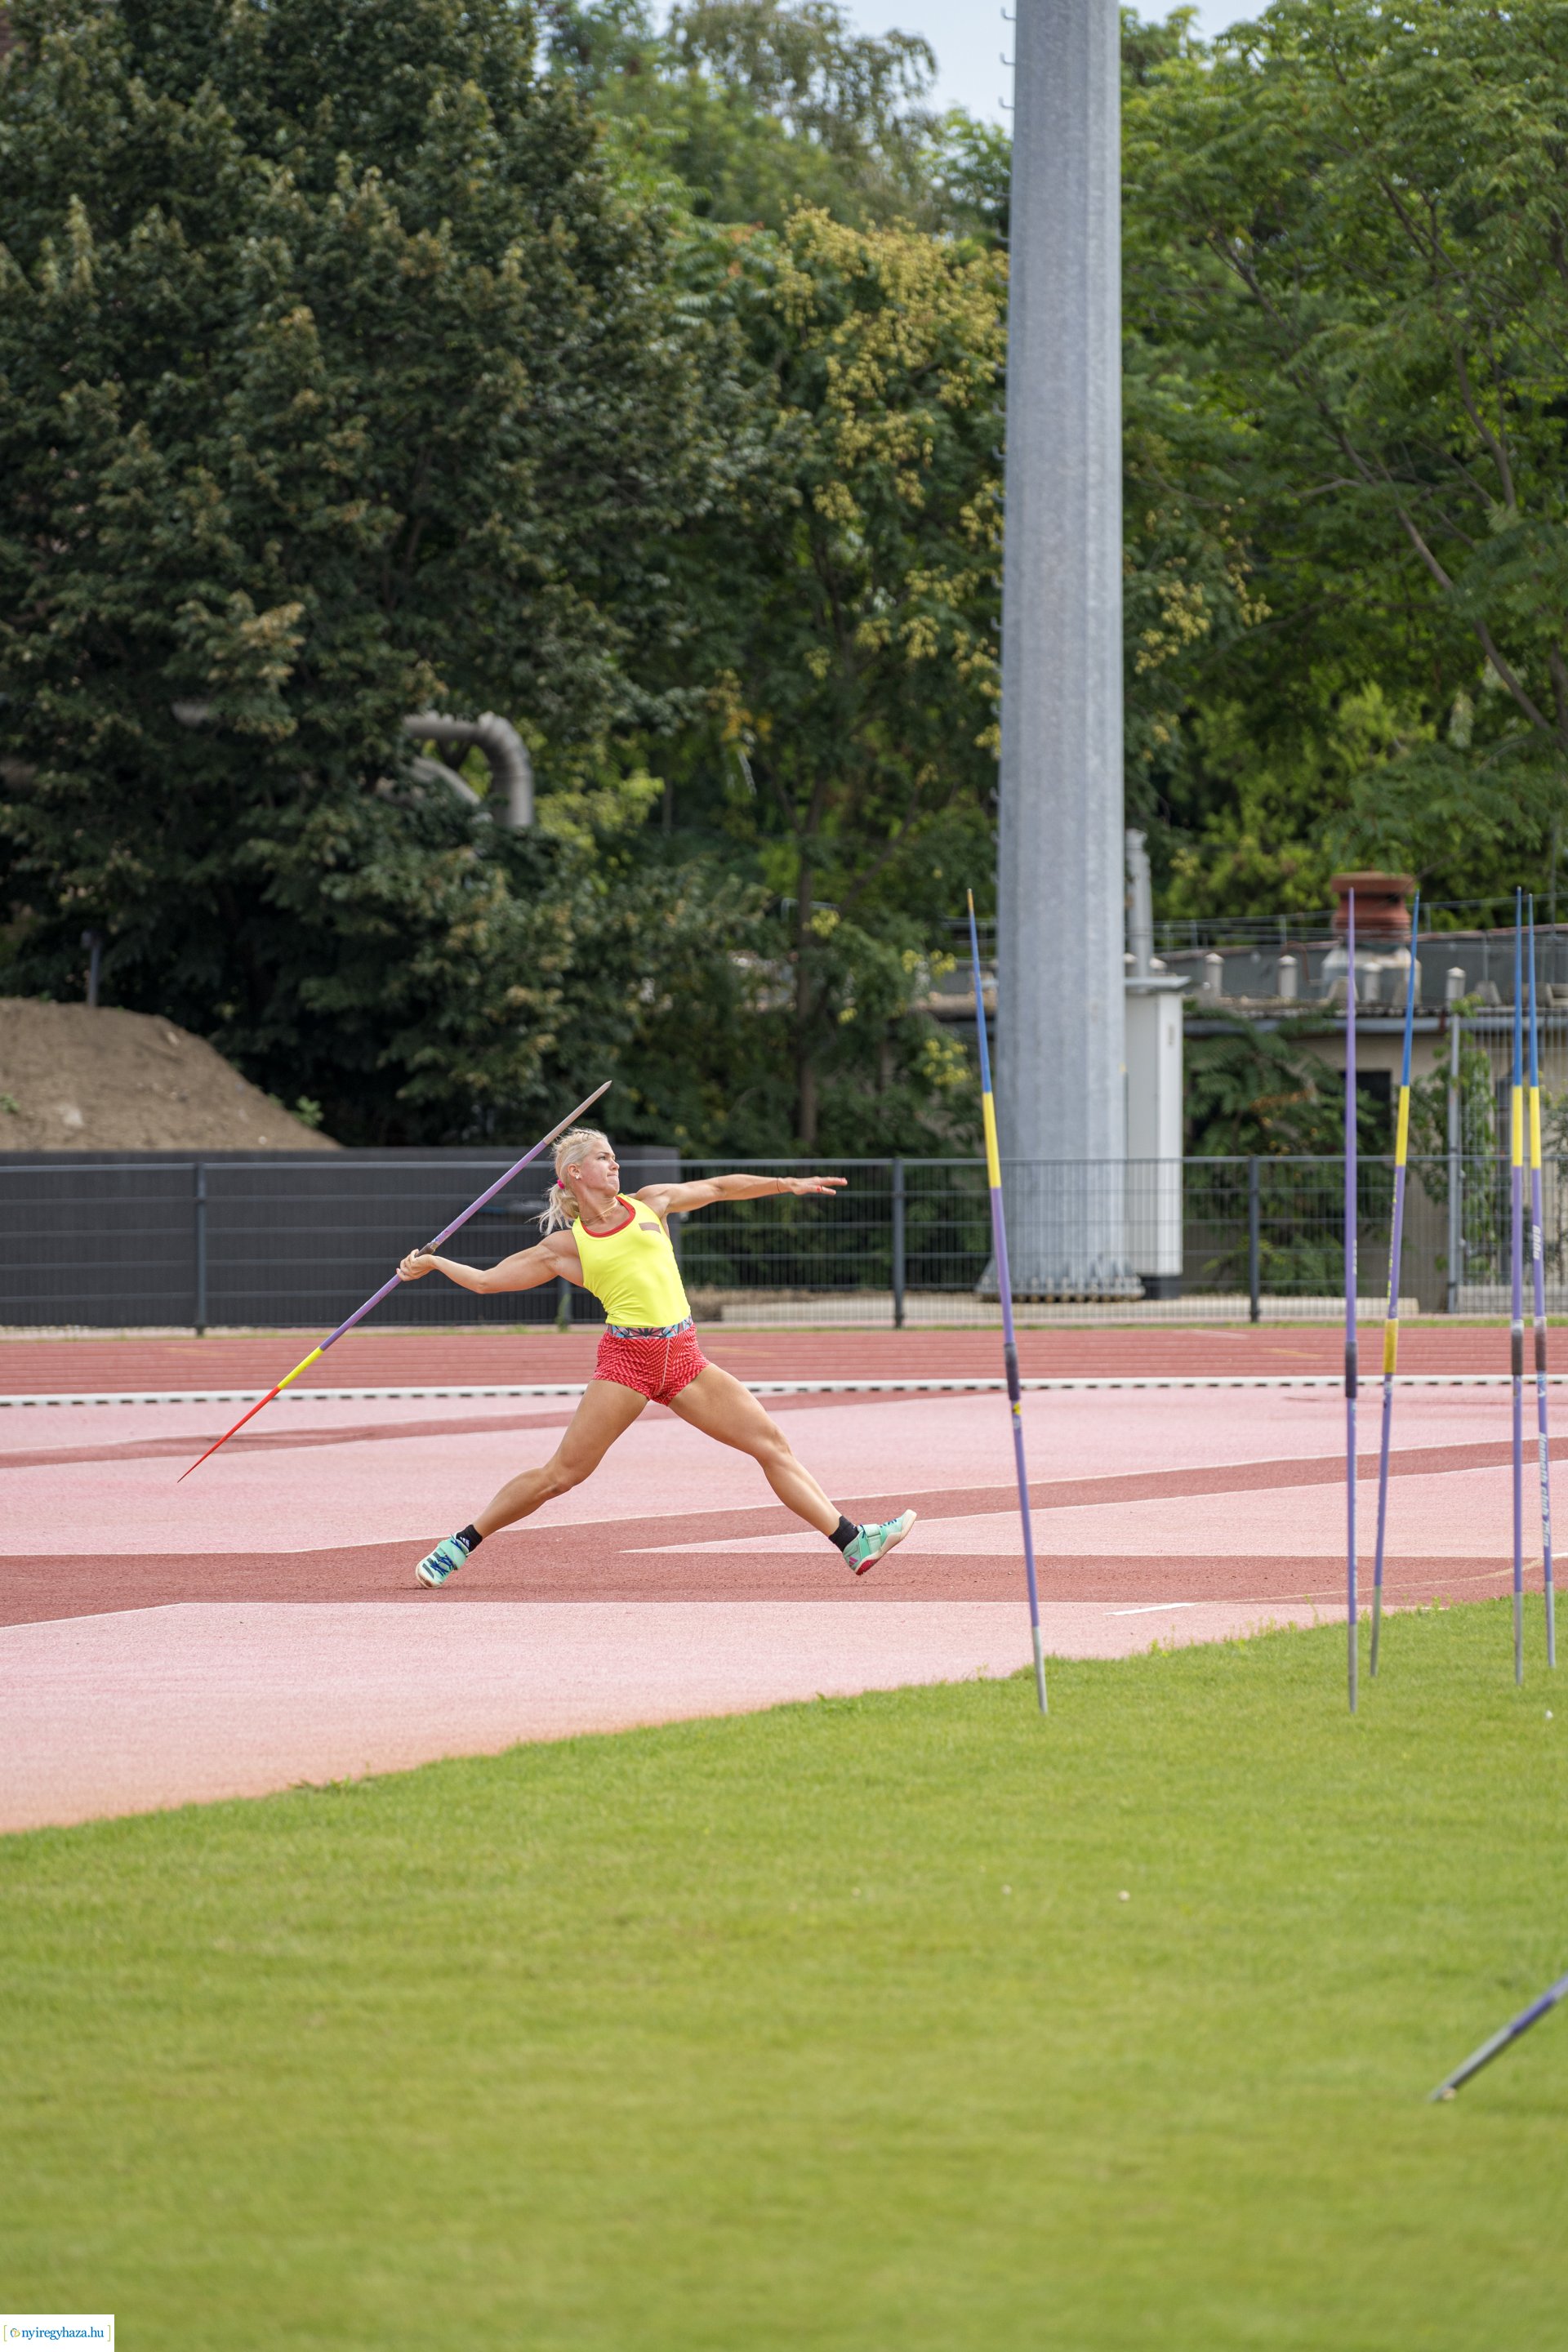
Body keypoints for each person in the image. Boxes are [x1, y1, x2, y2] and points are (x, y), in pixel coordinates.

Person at [397, 1128, 917, 1588]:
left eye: (615, 1155)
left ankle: (853, 1541)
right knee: (561, 1475)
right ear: (575, 1173)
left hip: (685, 1356)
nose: (615, 1163)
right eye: (604, 1157)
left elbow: (719, 1188)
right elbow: (488, 1283)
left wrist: (785, 1185)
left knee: (772, 1446)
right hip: (627, 1362)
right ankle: (459, 1545)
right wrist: (437, 1262)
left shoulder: (651, 1203)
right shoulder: (566, 1246)